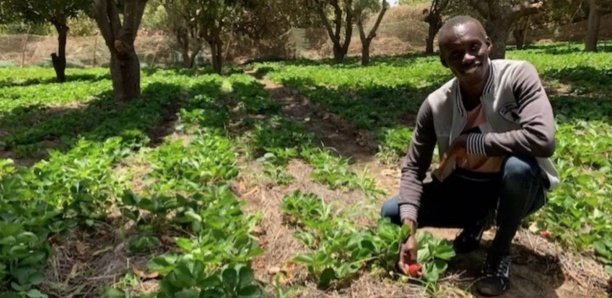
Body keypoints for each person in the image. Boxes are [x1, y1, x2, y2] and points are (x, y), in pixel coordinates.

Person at [380, 15, 559, 296]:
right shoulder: (435, 105)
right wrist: (409, 232)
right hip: (465, 188)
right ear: (444, 61)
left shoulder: (518, 76)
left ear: (488, 45)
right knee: (392, 213)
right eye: (455, 54)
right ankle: (478, 219)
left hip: (516, 189)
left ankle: (499, 254)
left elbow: (542, 139)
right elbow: (414, 169)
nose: (467, 57)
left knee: (518, 169)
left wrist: (469, 143)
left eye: (474, 47)